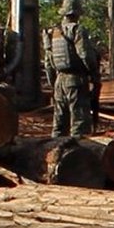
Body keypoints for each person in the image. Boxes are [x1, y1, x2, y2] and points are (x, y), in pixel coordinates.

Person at [43, 10, 99, 141]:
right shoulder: (77, 30)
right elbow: (85, 54)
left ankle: (55, 149)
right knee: (79, 124)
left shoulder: (54, 33)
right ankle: (78, 151)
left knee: (59, 125)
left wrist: (53, 83)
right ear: (77, 13)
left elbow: (48, 62)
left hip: (59, 81)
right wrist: (94, 74)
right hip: (76, 80)